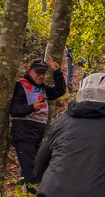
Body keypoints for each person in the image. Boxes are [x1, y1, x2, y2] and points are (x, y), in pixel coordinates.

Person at [10, 57, 67, 185]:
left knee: (36, 169)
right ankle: (32, 196)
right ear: (29, 71)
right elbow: (14, 109)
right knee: (32, 171)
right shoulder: (20, 85)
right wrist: (32, 108)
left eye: (43, 73)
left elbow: (59, 91)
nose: (41, 76)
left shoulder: (43, 88)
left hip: (37, 136)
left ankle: (24, 193)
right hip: (23, 135)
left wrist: (57, 72)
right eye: (38, 72)